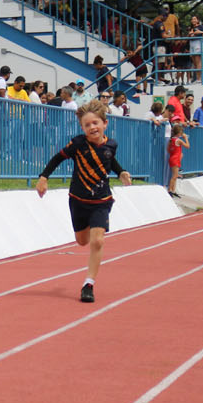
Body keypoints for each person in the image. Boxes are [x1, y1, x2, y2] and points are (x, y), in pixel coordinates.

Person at [35, 98, 134, 303]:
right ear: (82, 127)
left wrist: (121, 172)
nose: (92, 127)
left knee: (98, 241)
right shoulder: (78, 144)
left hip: (101, 200)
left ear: (105, 124)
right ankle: (89, 232)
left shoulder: (111, 145)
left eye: (96, 123)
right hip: (78, 199)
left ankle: (88, 284)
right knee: (82, 242)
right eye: (87, 125)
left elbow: (110, 159)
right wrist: (43, 178)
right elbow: (57, 158)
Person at [167, 123, 189, 196]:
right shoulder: (178, 140)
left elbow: (168, 150)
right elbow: (187, 146)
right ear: (179, 133)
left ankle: (173, 190)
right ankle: (170, 189)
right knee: (175, 175)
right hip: (176, 159)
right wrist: (185, 138)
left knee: (175, 175)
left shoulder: (171, 140)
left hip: (172, 158)